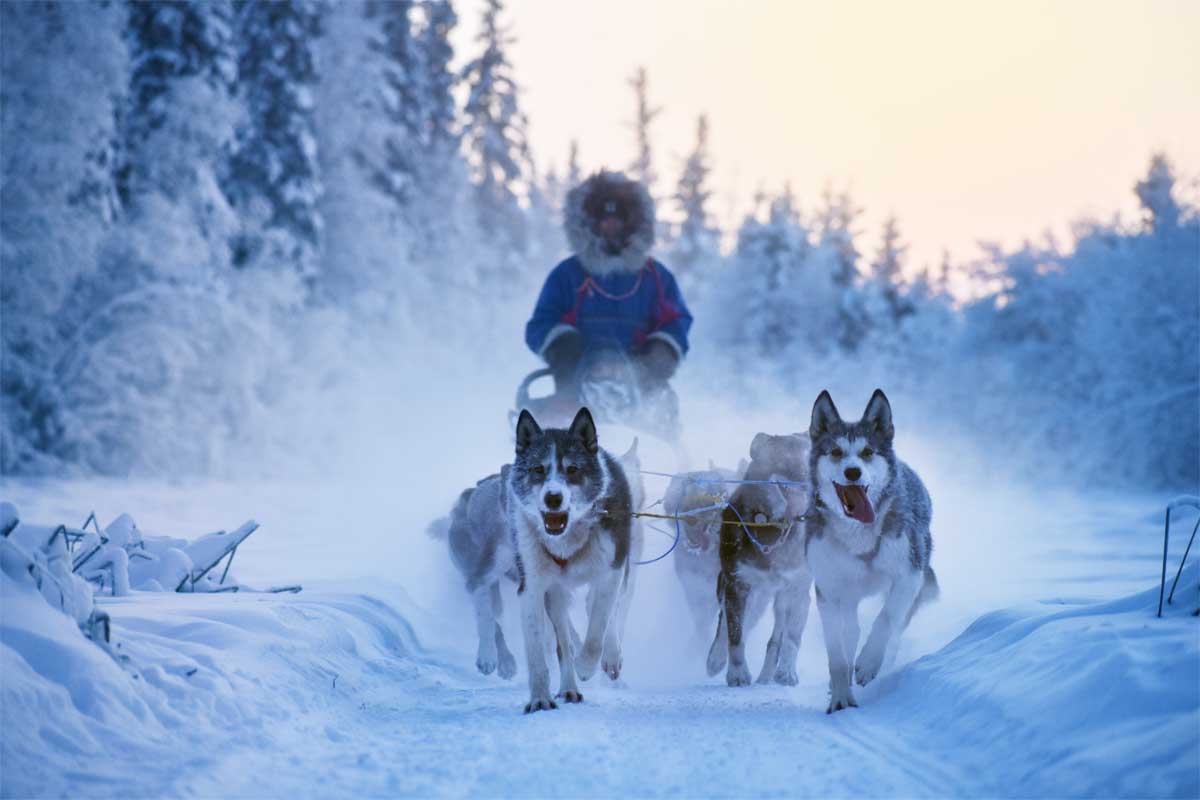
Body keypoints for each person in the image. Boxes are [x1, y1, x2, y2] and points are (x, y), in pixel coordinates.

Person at [525, 170, 693, 406]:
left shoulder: (655, 277)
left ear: (632, 223)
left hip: (641, 386)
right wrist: (564, 348)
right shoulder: (567, 275)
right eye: (604, 219)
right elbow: (540, 324)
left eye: (618, 219)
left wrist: (658, 355)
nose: (611, 226)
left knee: (660, 417)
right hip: (575, 386)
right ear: (589, 224)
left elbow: (676, 323)